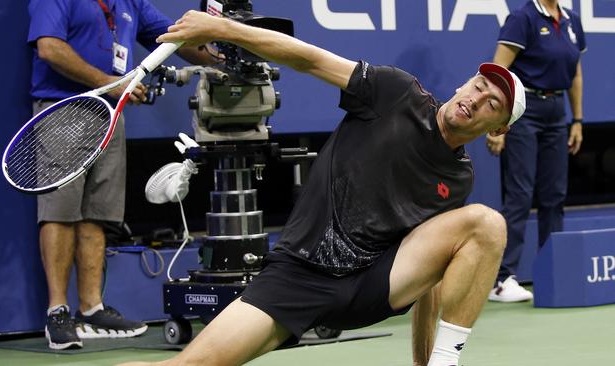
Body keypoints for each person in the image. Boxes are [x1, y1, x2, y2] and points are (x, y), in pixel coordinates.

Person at [121, 10, 526, 366]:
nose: (477, 99)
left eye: (492, 104)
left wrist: (424, 361)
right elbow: (307, 57)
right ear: (462, 85)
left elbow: (429, 277)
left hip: (370, 286)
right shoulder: (394, 91)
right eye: (478, 86)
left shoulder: (459, 177)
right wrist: (223, 28)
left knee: (486, 223)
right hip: (298, 274)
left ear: (498, 129)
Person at [27, 0, 213, 350]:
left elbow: (175, 38)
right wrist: (108, 82)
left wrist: (216, 49)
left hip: (111, 115)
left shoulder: (130, 1)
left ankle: (91, 309)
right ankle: (57, 313)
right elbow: (49, 48)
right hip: (63, 108)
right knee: (60, 212)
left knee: (98, 214)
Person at [485, 0, 586, 303]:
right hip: (523, 111)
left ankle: (551, 270)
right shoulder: (523, 18)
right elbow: (496, 74)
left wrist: (577, 119)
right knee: (520, 193)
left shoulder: (571, 20)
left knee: (554, 195)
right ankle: (503, 279)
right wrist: (496, 123)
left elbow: (575, 74)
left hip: (557, 113)